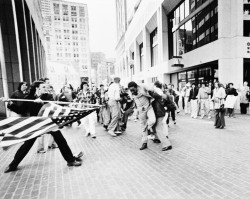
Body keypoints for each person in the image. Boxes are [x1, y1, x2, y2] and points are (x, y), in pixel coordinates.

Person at [4, 81, 82, 173]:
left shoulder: (48, 97)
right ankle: (13, 165)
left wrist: (42, 104)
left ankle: (70, 160)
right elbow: (20, 110)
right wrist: (10, 103)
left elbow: (53, 107)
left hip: (48, 123)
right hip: (37, 124)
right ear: (37, 88)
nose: (46, 89)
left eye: (46, 87)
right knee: (27, 145)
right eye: (43, 87)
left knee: (61, 141)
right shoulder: (29, 98)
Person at [128, 81, 157, 150]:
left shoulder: (142, 87)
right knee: (142, 127)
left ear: (136, 87)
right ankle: (144, 143)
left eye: (133, 90)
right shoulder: (131, 92)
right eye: (130, 90)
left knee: (153, 120)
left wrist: (150, 89)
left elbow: (151, 88)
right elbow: (133, 100)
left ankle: (147, 128)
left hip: (149, 107)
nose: (132, 92)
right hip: (141, 110)